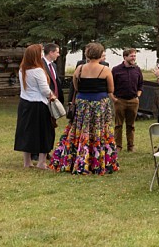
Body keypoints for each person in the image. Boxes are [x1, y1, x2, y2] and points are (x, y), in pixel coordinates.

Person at [49, 42, 119, 175]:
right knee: (99, 130)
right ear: (100, 54)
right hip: (99, 104)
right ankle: (98, 162)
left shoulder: (79, 69)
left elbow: (76, 87)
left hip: (82, 104)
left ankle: (76, 160)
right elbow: (111, 89)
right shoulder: (105, 70)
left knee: (80, 130)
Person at [14, 44, 55, 169]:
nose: (42, 54)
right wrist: (52, 95)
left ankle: (27, 161)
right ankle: (42, 162)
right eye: (41, 52)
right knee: (44, 131)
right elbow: (44, 90)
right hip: (39, 105)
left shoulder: (22, 69)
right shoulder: (38, 71)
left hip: (25, 103)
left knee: (27, 131)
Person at [112, 47, 144, 153]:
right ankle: (118, 146)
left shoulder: (137, 69)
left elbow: (141, 84)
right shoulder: (116, 70)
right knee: (118, 125)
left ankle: (131, 146)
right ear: (125, 57)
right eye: (131, 56)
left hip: (133, 101)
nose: (134, 58)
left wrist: (138, 96)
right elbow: (111, 85)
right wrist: (114, 98)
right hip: (120, 100)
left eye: (135, 56)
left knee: (131, 125)